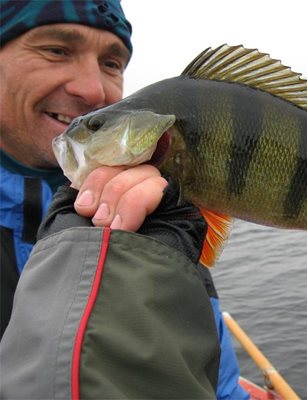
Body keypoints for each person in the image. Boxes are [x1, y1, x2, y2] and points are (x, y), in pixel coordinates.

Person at [0, 1, 248, 398]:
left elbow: (221, 387)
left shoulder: (162, 218)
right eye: (56, 50)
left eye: (112, 63)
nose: (94, 89)